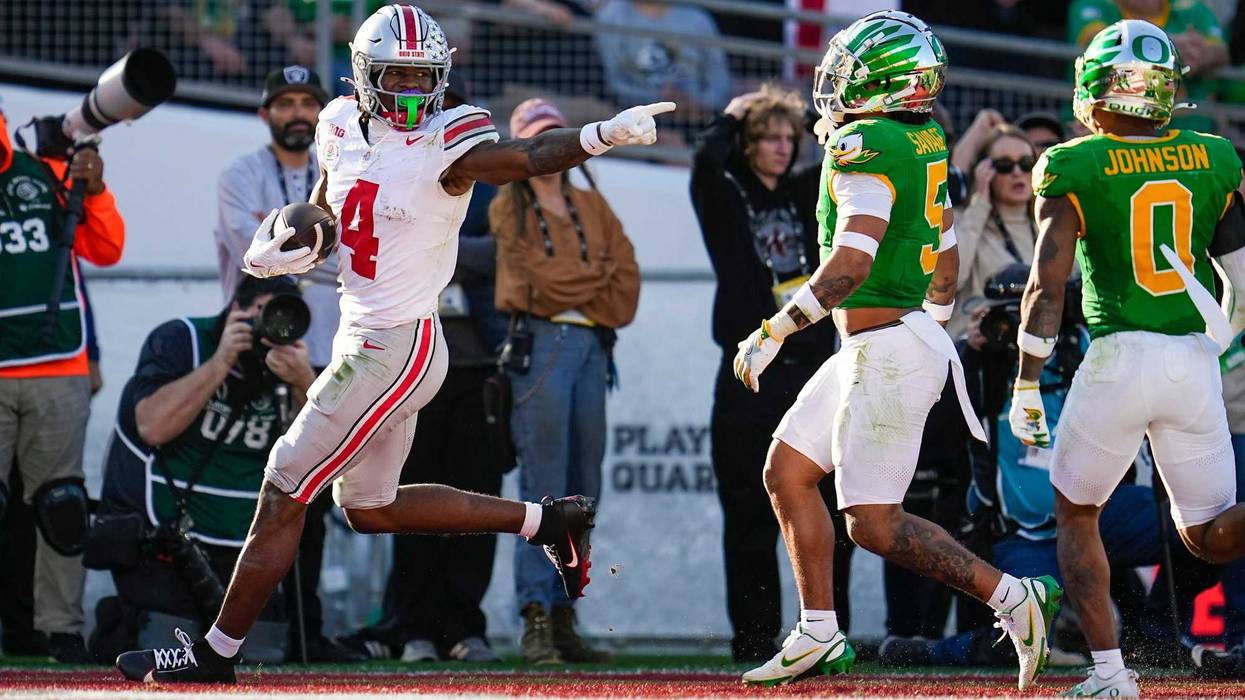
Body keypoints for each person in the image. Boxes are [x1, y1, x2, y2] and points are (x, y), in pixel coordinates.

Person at [116, 2, 673, 683]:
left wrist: (598, 136)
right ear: (362, 75)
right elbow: (326, 204)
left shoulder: (450, 137)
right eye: (396, 76)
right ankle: (545, 521)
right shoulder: (338, 122)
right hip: (364, 328)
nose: (411, 91)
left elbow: (525, 155)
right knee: (369, 508)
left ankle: (213, 656)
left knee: (284, 486)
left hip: (397, 344)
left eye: (422, 77)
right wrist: (290, 242)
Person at [731, 11, 1062, 690]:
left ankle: (1013, 597)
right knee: (788, 472)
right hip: (888, 340)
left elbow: (849, 263)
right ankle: (819, 631)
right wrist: (933, 320)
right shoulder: (922, 137)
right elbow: (940, 251)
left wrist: (774, 329)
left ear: (884, 82)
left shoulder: (866, 143)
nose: (835, 84)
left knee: (872, 524)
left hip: (885, 347)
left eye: (850, 71)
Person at [1012, 19, 1245, 697]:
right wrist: (1214, 345)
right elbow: (1240, 277)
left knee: (1075, 512)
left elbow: (1043, 282)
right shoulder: (1213, 155)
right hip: (1189, 363)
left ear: (1096, 85)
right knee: (1207, 537)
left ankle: (1110, 674)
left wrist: (1026, 382)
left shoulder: (1072, 162)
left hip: (1116, 356)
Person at [337, 76, 510, 664]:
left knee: (478, 494)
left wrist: (436, 253)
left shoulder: (487, 178)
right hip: (407, 359)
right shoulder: (386, 164)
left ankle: (466, 625)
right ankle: (409, 623)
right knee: (404, 498)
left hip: (477, 362)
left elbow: (504, 250)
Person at [689, 85, 850, 663]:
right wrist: (735, 113)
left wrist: (800, 117)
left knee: (828, 504)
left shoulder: (810, 191)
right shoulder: (727, 194)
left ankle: (831, 630)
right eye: (768, 138)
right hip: (746, 371)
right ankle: (754, 639)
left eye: (789, 138)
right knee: (748, 510)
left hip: (810, 366)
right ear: (747, 144)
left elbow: (834, 141)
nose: (783, 148)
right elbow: (706, 162)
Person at [213, 65, 358, 663]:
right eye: (286, 102)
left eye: (308, 102)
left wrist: (299, 250)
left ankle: (306, 630)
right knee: (261, 491)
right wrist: (328, 252)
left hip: (333, 354)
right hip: (256, 352)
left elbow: (354, 256)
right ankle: (235, 629)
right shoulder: (241, 174)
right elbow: (258, 257)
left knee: (317, 501)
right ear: (264, 113)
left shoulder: (349, 169)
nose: (298, 112)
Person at [93, 276, 315, 662]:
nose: (270, 328)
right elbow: (152, 426)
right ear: (235, 311)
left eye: (282, 318)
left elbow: (329, 459)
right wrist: (221, 361)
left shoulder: (292, 364)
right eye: (263, 314)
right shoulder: (182, 340)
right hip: (169, 534)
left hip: (247, 542)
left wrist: (305, 384)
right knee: (165, 640)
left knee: (262, 653)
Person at [491, 97, 640, 665]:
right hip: (542, 345)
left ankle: (563, 613)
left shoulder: (594, 205)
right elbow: (536, 285)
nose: (553, 149)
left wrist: (578, 282)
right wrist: (592, 278)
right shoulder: (508, 205)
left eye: (559, 137)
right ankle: (534, 617)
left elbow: (626, 285)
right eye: (540, 139)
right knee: (543, 488)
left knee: (583, 487)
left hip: (590, 350)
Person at [0, 103, 125, 663]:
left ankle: (61, 631)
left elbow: (107, 247)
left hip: (58, 364)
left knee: (62, 505)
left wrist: (94, 190)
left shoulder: (42, 170)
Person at [1067, 0, 1228, 132]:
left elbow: (1222, 51)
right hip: (1117, 133)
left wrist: (1199, 53)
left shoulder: (1191, 8)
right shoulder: (1095, 4)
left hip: (1195, 134)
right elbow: (1096, 42)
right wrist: (1169, 48)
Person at [948, 125, 1039, 339]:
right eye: (1004, 165)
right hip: (976, 349)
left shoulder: (1048, 224)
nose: (1017, 172)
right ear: (984, 172)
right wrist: (980, 203)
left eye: (1026, 164)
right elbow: (951, 280)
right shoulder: (964, 220)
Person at [595, 0, 732, 122]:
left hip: (696, 119)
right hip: (634, 119)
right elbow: (615, 83)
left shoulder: (697, 18)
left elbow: (719, 81)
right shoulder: (611, 16)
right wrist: (656, 99)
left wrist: (701, 103)